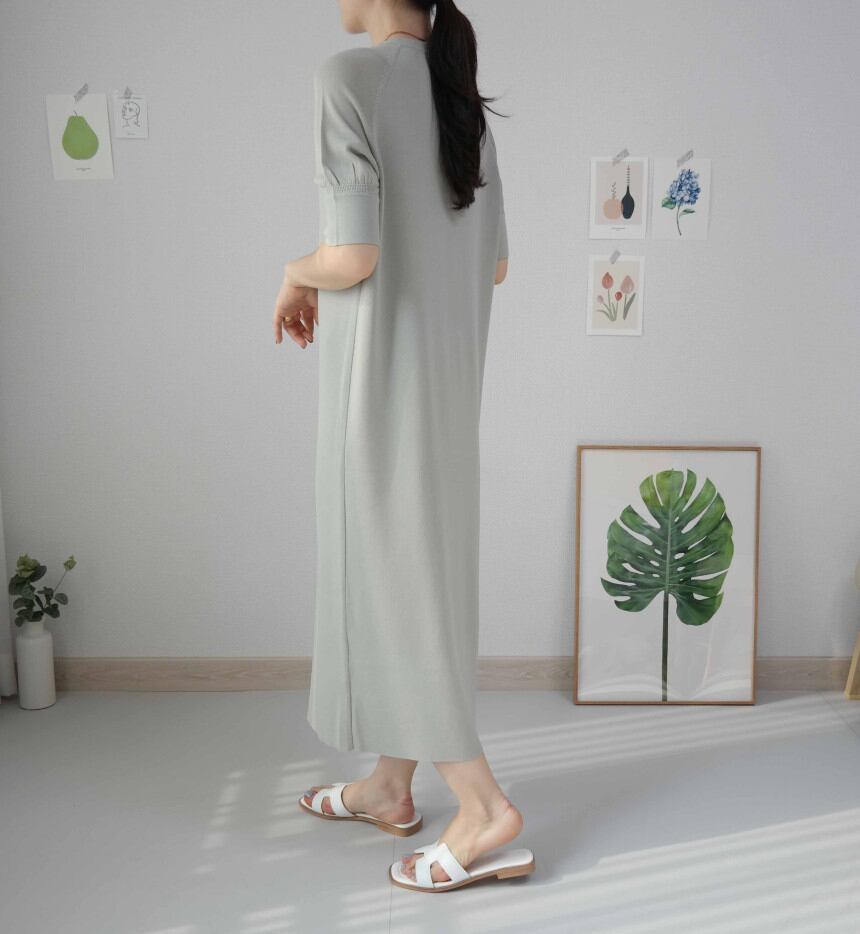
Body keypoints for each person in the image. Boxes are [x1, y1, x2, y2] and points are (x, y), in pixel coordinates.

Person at [272, 0, 533, 892]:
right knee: (416, 578)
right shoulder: (462, 102)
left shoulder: (349, 78)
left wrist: (293, 272)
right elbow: (495, 263)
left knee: (391, 583)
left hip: (379, 389)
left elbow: (352, 257)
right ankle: (390, 785)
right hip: (450, 395)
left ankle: (484, 807)